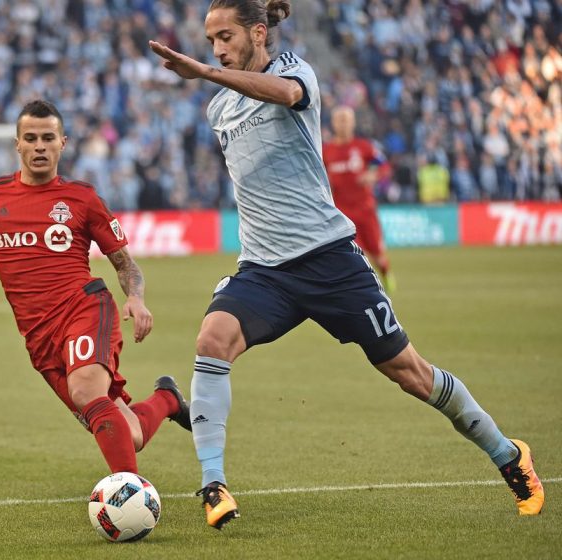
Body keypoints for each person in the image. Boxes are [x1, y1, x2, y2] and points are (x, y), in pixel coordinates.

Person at [150, 0, 543, 529]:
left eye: (226, 36)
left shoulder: (294, 72)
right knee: (211, 340)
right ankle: (213, 485)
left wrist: (204, 72)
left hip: (330, 260)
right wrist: (211, 78)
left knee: (411, 374)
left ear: (258, 33)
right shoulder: (218, 109)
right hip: (266, 269)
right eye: (209, 42)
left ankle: (507, 454)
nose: (217, 48)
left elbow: (288, 96)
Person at [0, 100, 191, 475]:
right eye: (30, 138)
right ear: (17, 145)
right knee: (130, 433)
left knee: (87, 391)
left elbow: (125, 263)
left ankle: (128, 493)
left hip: (83, 308)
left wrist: (136, 299)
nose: (39, 146)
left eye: (47, 138)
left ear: (63, 143)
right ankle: (167, 399)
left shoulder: (82, 199)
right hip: (39, 337)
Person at [323, 106, 396, 292]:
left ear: (353, 122)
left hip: (366, 210)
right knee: (353, 256)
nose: (343, 123)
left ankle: (386, 274)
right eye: (339, 119)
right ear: (333, 123)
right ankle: (363, 289)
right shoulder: (326, 151)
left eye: (346, 119)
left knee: (378, 254)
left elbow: (384, 167)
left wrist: (374, 175)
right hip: (342, 214)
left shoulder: (364, 147)